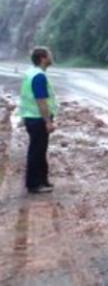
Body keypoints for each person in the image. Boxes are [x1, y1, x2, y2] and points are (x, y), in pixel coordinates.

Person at [19, 47, 56, 194]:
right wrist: (48, 121)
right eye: (49, 55)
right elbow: (41, 100)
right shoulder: (39, 76)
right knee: (36, 151)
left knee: (39, 150)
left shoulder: (31, 73)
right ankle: (34, 184)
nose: (51, 57)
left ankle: (42, 180)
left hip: (32, 117)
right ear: (43, 58)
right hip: (37, 118)